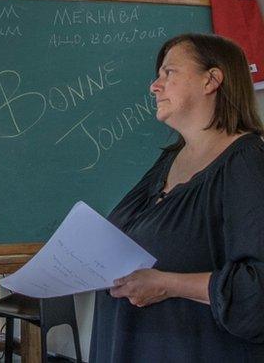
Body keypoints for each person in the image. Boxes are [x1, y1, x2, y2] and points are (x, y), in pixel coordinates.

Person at [90, 33, 264, 362]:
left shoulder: (247, 163)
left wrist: (167, 284)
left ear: (211, 80)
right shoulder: (170, 159)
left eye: (169, 73)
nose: (155, 86)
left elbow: (256, 288)